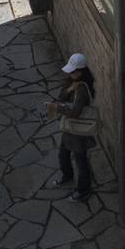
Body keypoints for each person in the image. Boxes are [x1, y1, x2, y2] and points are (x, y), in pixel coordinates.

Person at [48, 52, 97, 202]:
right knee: (63, 155)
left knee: (80, 161)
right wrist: (69, 90)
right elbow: (61, 96)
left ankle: (83, 190)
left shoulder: (82, 89)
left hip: (78, 130)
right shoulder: (71, 82)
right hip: (70, 128)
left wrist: (57, 108)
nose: (70, 73)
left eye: (73, 71)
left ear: (80, 71)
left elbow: (76, 111)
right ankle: (68, 176)